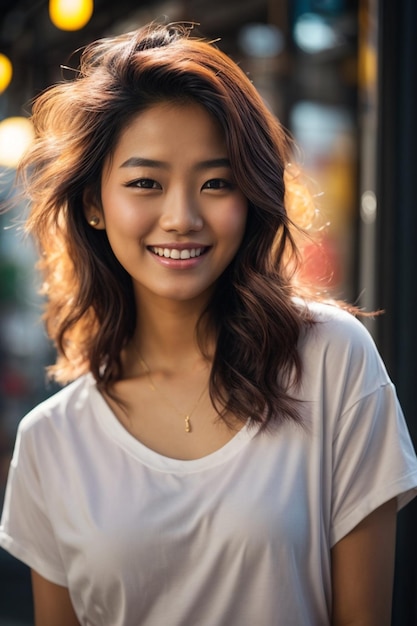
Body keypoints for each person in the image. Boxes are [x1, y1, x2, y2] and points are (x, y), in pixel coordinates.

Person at [0, 21, 416, 626]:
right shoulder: (51, 442)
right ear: (94, 202)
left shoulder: (333, 361)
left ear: (250, 196)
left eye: (216, 183)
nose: (181, 217)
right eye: (145, 183)